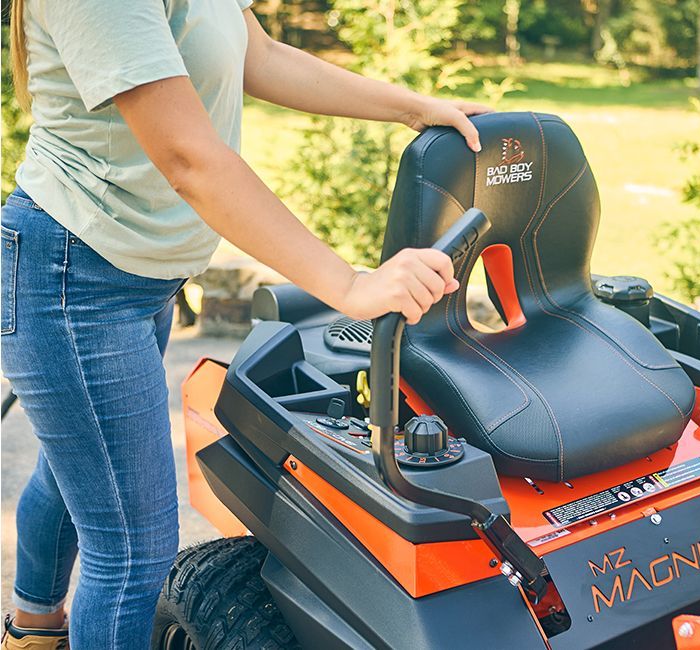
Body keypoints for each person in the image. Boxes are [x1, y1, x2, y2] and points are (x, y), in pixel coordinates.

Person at [0, 1, 490, 647]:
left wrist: (411, 107)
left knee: (85, 472)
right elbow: (188, 157)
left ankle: (32, 629)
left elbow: (263, 56)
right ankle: (37, 628)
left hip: (135, 270)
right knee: (131, 551)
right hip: (75, 278)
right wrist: (348, 285)